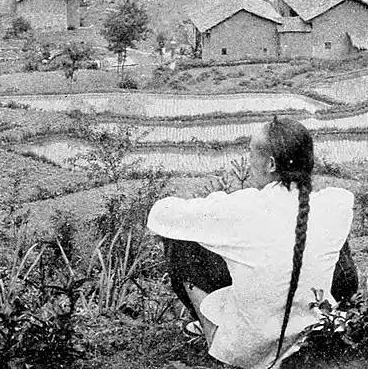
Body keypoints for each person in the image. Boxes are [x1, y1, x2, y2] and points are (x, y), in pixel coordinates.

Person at [147, 117, 357, 369]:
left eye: (251, 152)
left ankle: (211, 333)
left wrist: (213, 203)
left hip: (247, 351)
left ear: (270, 164)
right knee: (330, 239)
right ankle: (332, 317)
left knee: (181, 240)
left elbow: (160, 215)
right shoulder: (337, 203)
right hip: (311, 335)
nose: (248, 161)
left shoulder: (243, 207)